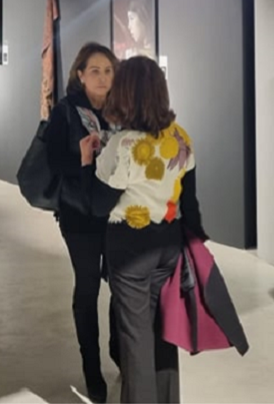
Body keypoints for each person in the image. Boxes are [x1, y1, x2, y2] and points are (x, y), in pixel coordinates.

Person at [84, 56, 206, 404]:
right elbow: (190, 201)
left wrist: (87, 162)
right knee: (164, 334)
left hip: (130, 249)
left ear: (125, 93)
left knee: (135, 341)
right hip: (168, 244)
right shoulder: (180, 137)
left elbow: (98, 204)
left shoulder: (122, 145)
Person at [44, 42, 120, 404]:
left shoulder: (122, 111)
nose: (102, 78)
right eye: (95, 71)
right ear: (80, 75)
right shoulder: (65, 111)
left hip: (117, 213)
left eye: (108, 70)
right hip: (79, 215)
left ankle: (119, 349)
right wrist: (84, 156)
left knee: (121, 284)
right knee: (88, 287)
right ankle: (92, 367)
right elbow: (53, 160)